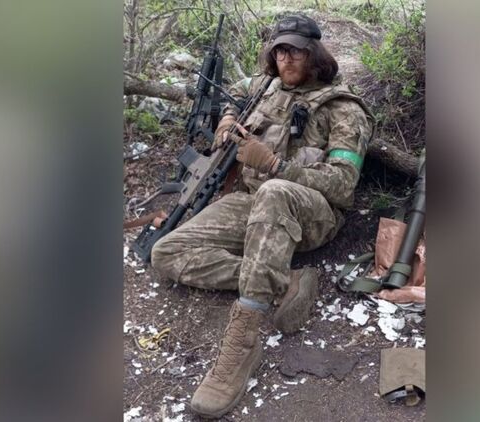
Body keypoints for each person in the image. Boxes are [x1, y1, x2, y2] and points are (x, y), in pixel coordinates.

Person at [151, 14, 374, 418]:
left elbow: (343, 185)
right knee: (166, 252)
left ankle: (243, 342)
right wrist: (227, 121)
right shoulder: (266, 86)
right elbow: (236, 94)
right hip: (252, 202)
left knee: (274, 191)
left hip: (311, 215)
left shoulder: (343, 109)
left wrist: (275, 165)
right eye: (280, 51)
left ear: (315, 55)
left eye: (296, 52)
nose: (286, 60)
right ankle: (286, 282)